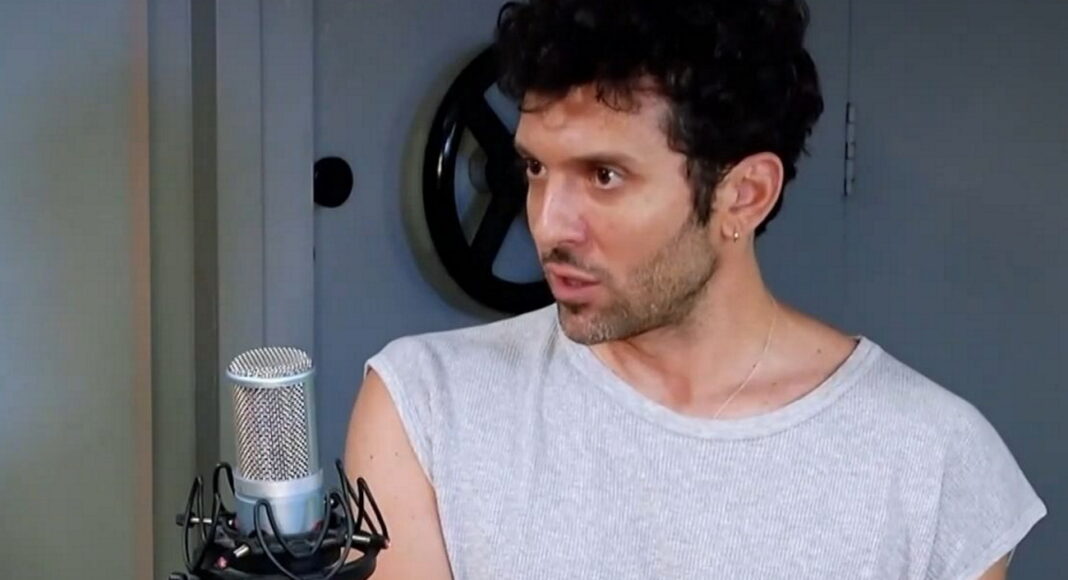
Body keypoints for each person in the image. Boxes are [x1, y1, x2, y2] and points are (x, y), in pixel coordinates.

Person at [345, 1, 1047, 578]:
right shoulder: (426, 404)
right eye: (534, 168)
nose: (548, 225)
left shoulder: (933, 461)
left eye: (604, 176)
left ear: (746, 194)